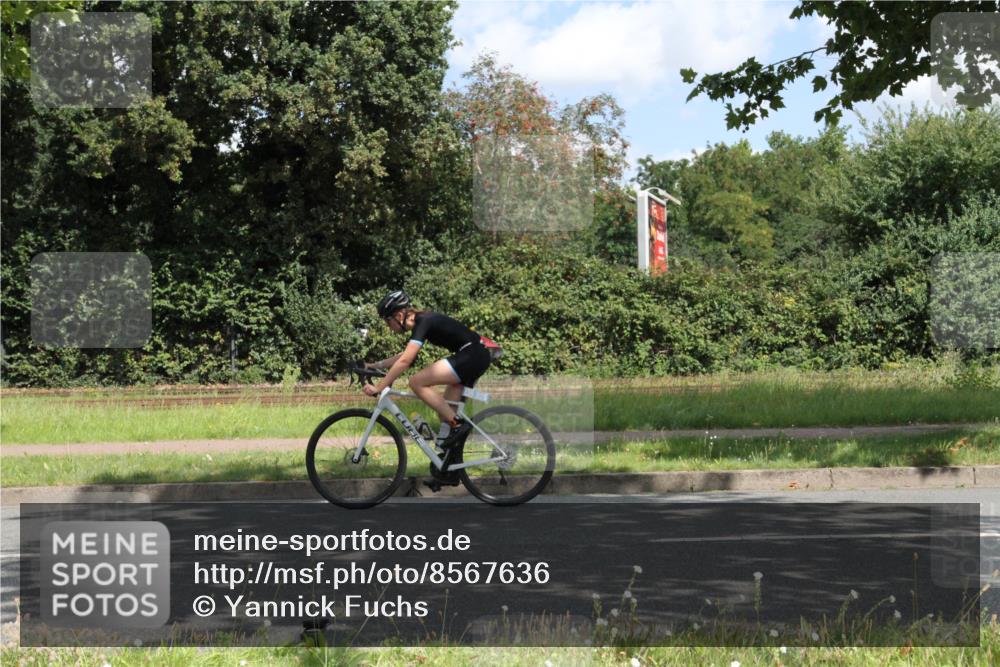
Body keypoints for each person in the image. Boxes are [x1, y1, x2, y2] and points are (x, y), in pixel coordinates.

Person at [363, 290, 495, 449]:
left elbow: (405, 361)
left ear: (398, 315)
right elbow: (404, 355)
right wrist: (373, 366)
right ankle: (446, 463)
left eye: (387, 321)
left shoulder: (423, 321)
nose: (388, 326)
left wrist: (379, 387)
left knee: (416, 382)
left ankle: (459, 425)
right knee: (445, 412)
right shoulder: (422, 322)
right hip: (474, 355)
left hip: (472, 355)